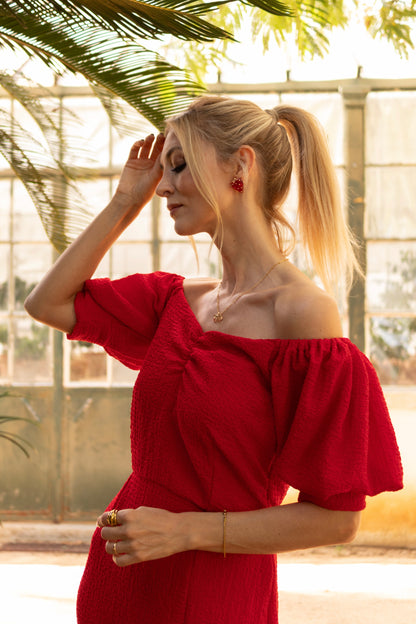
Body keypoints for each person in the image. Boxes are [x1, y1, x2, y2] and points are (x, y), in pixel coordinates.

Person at [25, 96, 403, 624]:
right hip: (122, 578)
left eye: (178, 165)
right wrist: (121, 204)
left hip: (214, 587)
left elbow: (336, 522)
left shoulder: (303, 315)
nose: (161, 186)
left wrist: (185, 531)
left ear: (240, 166)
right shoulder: (174, 301)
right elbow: (47, 303)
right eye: (162, 171)